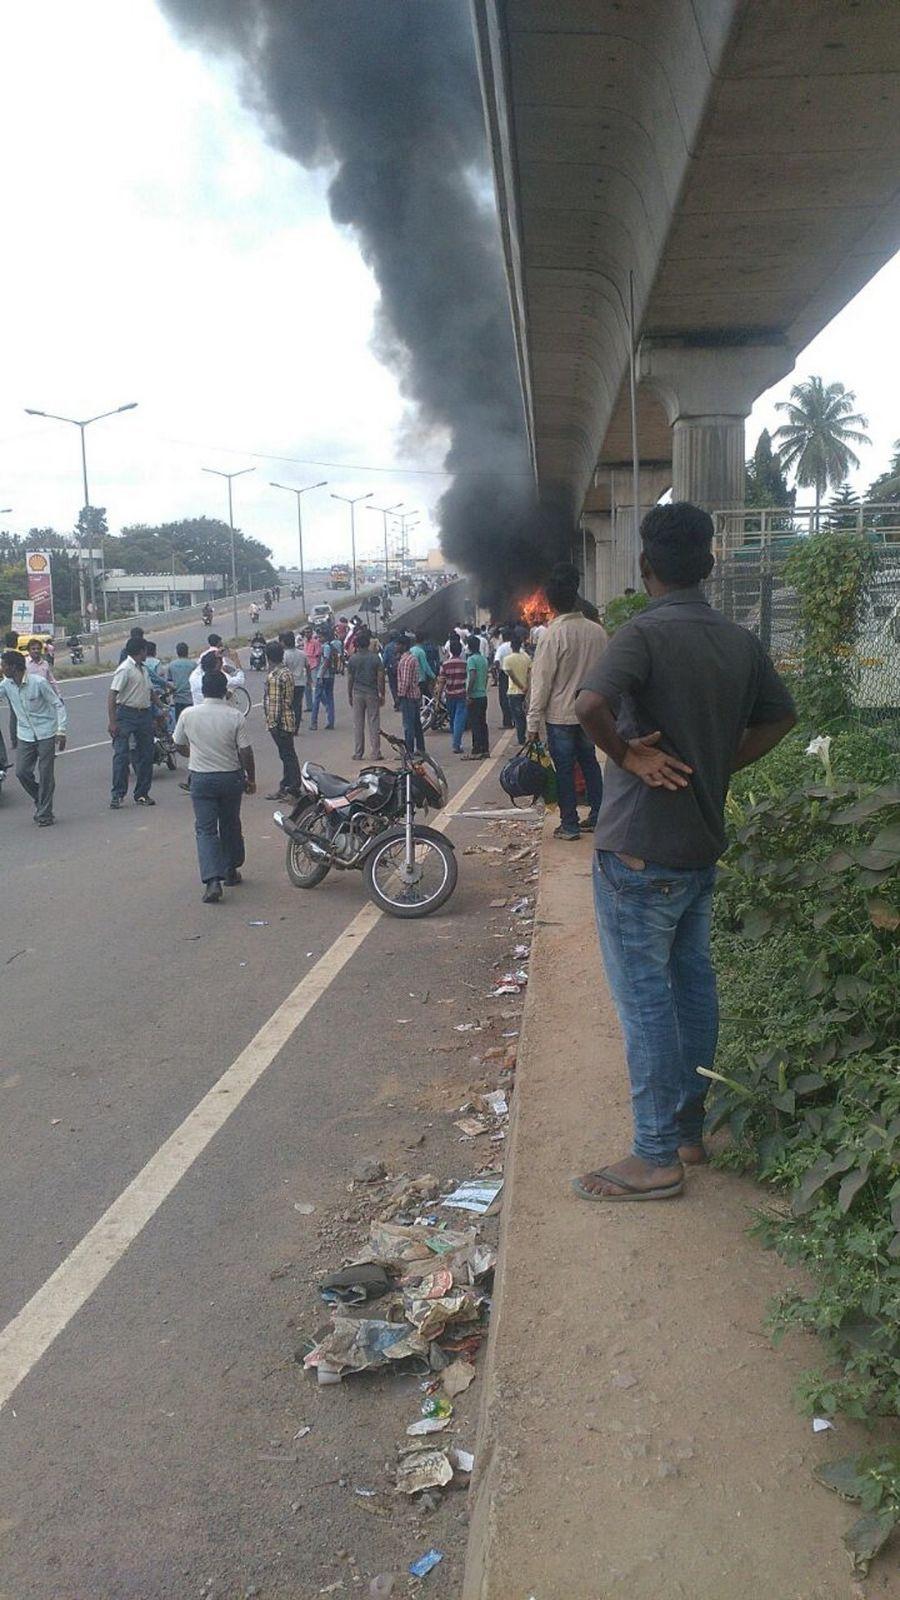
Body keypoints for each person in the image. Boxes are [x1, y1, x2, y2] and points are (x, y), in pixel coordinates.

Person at [573, 502, 797, 1203]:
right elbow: (782, 716)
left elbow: (587, 705)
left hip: (637, 853)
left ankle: (654, 1156)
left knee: (645, 1006)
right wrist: (724, 760)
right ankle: (689, 1130)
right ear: (711, 563)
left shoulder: (642, 634)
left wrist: (628, 758)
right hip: (698, 852)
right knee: (693, 992)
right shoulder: (738, 640)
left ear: (645, 570)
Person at [526, 568, 607, 838]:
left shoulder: (552, 635)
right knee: (590, 765)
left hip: (560, 717)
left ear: (550, 603)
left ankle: (570, 824)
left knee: (564, 771)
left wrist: (532, 723)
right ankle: (598, 816)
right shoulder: (597, 632)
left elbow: (542, 683)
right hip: (591, 715)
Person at [173, 667, 256, 903]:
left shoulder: (188, 714)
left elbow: (178, 744)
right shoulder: (235, 715)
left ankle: (212, 881)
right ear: (226, 691)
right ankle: (230, 869)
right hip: (230, 777)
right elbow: (245, 751)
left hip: (201, 778)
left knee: (205, 830)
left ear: (203, 690)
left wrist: (194, 754)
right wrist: (251, 778)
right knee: (230, 823)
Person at [0, 649, 67, 824]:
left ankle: (44, 813)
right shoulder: (6, 685)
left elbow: (58, 705)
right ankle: (41, 797)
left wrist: (61, 730)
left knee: (46, 774)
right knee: (22, 772)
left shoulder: (38, 683)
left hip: (46, 733)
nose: (1, 668)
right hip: (25, 735)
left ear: (13, 667)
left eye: (4, 665)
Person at [107, 637, 155, 808]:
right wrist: (113, 722)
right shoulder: (125, 669)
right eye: (145, 650)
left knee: (146, 755)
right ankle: (117, 794)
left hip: (144, 715)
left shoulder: (143, 669)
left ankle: (142, 793)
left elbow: (149, 691)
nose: (146, 654)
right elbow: (112, 695)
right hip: (126, 714)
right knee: (121, 755)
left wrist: (160, 707)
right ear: (141, 651)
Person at [263, 640, 301, 799]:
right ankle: (287, 785)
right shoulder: (286, 672)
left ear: (268, 657)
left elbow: (275, 704)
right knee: (288, 754)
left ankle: (292, 787)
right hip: (288, 718)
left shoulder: (275, 676)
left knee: (287, 755)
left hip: (280, 722)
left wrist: (272, 723)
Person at [346, 626, 385, 761]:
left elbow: (350, 679)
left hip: (357, 693)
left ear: (356, 645)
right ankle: (375, 752)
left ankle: (358, 752)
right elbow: (380, 678)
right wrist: (382, 694)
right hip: (372, 693)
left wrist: (350, 694)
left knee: (358, 723)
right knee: (374, 722)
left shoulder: (352, 659)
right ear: (368, 643)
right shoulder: (375, 659)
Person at [435, 633, 468, 754]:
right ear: (460, 651)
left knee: (453, 719)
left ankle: (456, 741)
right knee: (459, 720)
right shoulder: (465, 664)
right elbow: (467, 680)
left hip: (449, 695)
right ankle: (456, 744)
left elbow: (441, 682)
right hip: (461, 694)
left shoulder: (445, 664)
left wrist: (438, 698)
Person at [189, 635, 245, 704]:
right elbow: (240, 680)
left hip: (198, 711)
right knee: (231, 688)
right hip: (215, 711)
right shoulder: (218, 678)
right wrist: (236, 660)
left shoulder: (193, 676)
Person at [396, 633, 425, 755]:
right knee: (416, 723)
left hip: (408, 697)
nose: (396, 647)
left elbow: (405, 681)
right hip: (415, 695)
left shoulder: (406, 661)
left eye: (398, 644)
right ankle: (420, 748)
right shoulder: (411, 658)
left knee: (408, 725)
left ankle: (409, 750)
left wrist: (400, 695)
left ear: (403, 646)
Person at [463, 634, 490, 760]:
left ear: (469, 646)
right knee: (482, 722)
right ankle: (485, 749)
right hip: (483, 695)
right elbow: (486, 677)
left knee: (475, 724)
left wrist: (468, 693)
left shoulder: (471, 660)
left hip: (474, 696)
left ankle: (476, 750)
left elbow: (472, 676)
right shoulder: (484, 659)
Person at [503, 637, 532, 746]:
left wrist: (520, 686)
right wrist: (526, 686)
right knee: (523, 715)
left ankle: (521, 739)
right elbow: (529, 673)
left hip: (514, 691)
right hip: (524, 692)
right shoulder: (526, 658)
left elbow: (511, 676)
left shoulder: (508, 659)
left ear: (511, 647)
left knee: (518, 717)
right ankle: (523, 737)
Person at [310, 629, 337, 731]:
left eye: (320, 637)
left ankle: (314, 722)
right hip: (330, 676)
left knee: (317, 699)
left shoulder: (325, 647)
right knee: (329, 698)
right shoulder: (329, 646)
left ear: (324, 637)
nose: (318, 639)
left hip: (323, 675)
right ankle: (330, 721)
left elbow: (326, 661)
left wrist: (320, 675)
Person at [165, 642, 196, 721]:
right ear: (187, 651)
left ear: (177, 652)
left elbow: (169, 682)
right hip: (191, 698)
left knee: (180, 722)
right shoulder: (193, 665)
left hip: (178, 699)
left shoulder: (171, 665)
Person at [280, 631, 305, 727]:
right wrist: (309, 679)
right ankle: (296, 727)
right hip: (300, 683)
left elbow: (282, 669)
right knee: (298, 706)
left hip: (289, 683)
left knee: (288, 706)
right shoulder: (302, 653)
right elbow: (307, 666)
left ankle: (290, 725)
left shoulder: (285, 655)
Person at [493, 627, 515, 729]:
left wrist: (498, 671)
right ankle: (516, 720)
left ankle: (507, 722)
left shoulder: (501, 648)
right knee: (515, 697)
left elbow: (496, 661)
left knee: (504, 699)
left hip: (504, 675)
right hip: (516, 674)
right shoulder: (517, 646)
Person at [409, 632, 436, 696]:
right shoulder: (421, 652)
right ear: (423, 641)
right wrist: (434, 676)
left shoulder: (411, 650)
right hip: (421, 680)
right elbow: (425, 667)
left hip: (413, 679)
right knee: (428, 697)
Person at [303, 624, 321, 713]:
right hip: (306, 666)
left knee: (317, 686)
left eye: (308, 632)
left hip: (313, 665)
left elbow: (317, 655)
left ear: (311, 633)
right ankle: (309, 706)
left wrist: (317, 666)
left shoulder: (315, 642)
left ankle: (322, 703)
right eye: (305, 632)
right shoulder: (305, 642)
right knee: (307, 687)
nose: (307, 634)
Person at [381, 631, 401, 710]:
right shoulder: (400, 645)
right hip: (400, 668)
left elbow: (385, 659)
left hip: (391, 669)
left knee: (393, 686)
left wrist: (383, 668)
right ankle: (401, 701)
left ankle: (396, 701)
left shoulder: (388, 647)